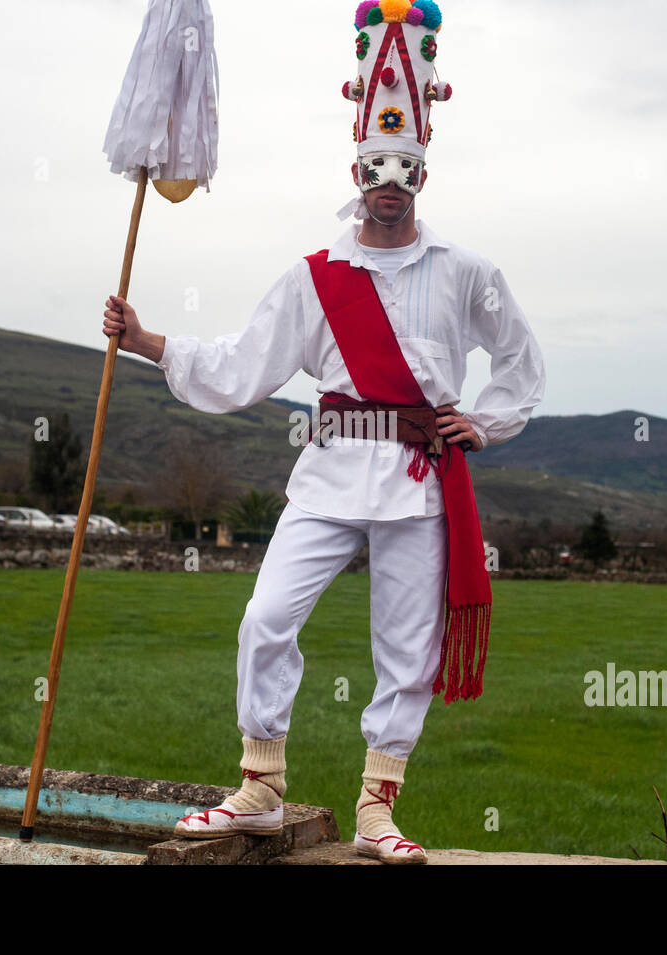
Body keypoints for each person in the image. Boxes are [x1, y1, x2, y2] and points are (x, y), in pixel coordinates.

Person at [101, 0, 544, 864]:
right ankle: (261, 786)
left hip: (418, 481)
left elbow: (523, 363)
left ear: (422, 173)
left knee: (405, 649)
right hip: (331, 471)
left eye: (402, 166)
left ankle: (378, 811)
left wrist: (482, 423)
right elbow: (241, 365)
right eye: (375, 165)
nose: (386, 181)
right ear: (355, 167)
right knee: (266, 617)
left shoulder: (467, 272)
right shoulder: (315, 276)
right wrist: (150, 340)